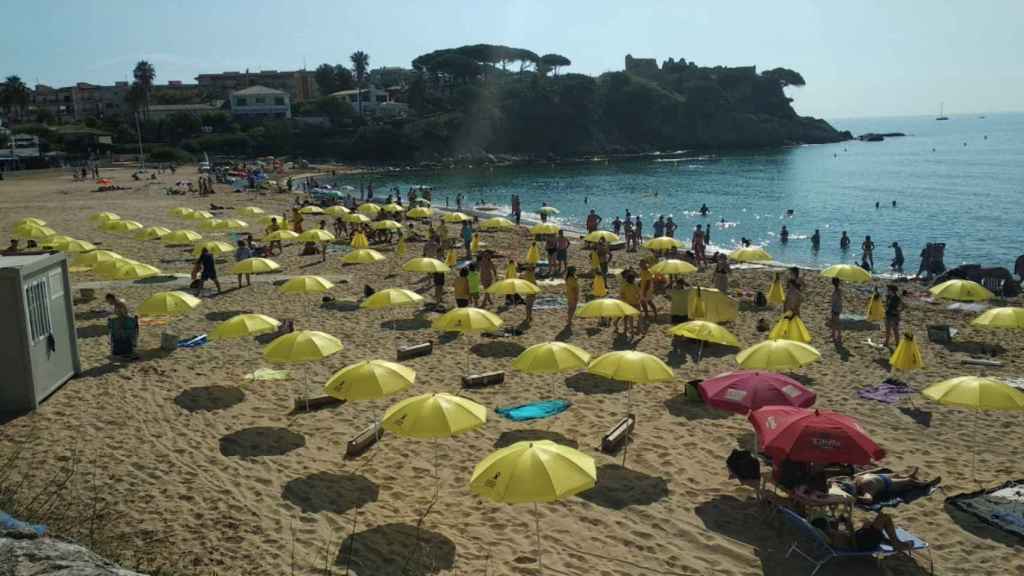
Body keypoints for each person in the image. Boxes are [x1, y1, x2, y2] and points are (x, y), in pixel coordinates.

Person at [810, 512, 913, 553]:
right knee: (884, 517)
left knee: (873, 523)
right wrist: (851, 530)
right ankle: (897, 544)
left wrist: (842, 522)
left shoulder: (830, 534)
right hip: (863, 544)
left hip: (861, 538)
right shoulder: (833, 538)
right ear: (825, 526)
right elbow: (855, 548)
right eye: (828, 523)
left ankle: (894, 543)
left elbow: (846, 537)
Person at [830, 468, 941, 506]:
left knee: (896, 475)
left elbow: (839, 480)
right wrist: (854, 498)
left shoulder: (855, 480)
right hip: (888, 485)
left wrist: (835, 483)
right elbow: (869, 499)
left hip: (882, 478)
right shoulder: (867, 489)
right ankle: (926, 484)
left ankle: (908, 476)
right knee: (909, 481)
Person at [617, 269, 641, 336]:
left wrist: (637, 299)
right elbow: (622, 295)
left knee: (631, 317)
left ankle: (631, 330)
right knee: (633, 317)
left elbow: (622, 294)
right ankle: (633, 330)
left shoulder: (630, 285)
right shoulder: (630, 286)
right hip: (632, 303)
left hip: (631, 303)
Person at [638, 259, 657, 323]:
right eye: (640, 264)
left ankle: (654, 313)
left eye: (641, 264)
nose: (640, 265)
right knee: (643, 302)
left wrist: (645, 291)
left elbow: (648, 282)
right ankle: (647, 314)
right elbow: (642, 279)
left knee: (648, 301)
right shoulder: (642, 271)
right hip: (643, 288)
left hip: (647, 289)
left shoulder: (648, 271)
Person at [829, 277, 843, 344]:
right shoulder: (839, 290)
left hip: (835, 308)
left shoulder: (836, 291)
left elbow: (835, 300)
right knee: (835, 322)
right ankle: (835, 335)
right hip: (838, 308)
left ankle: (837, 337)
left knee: (835, 323)